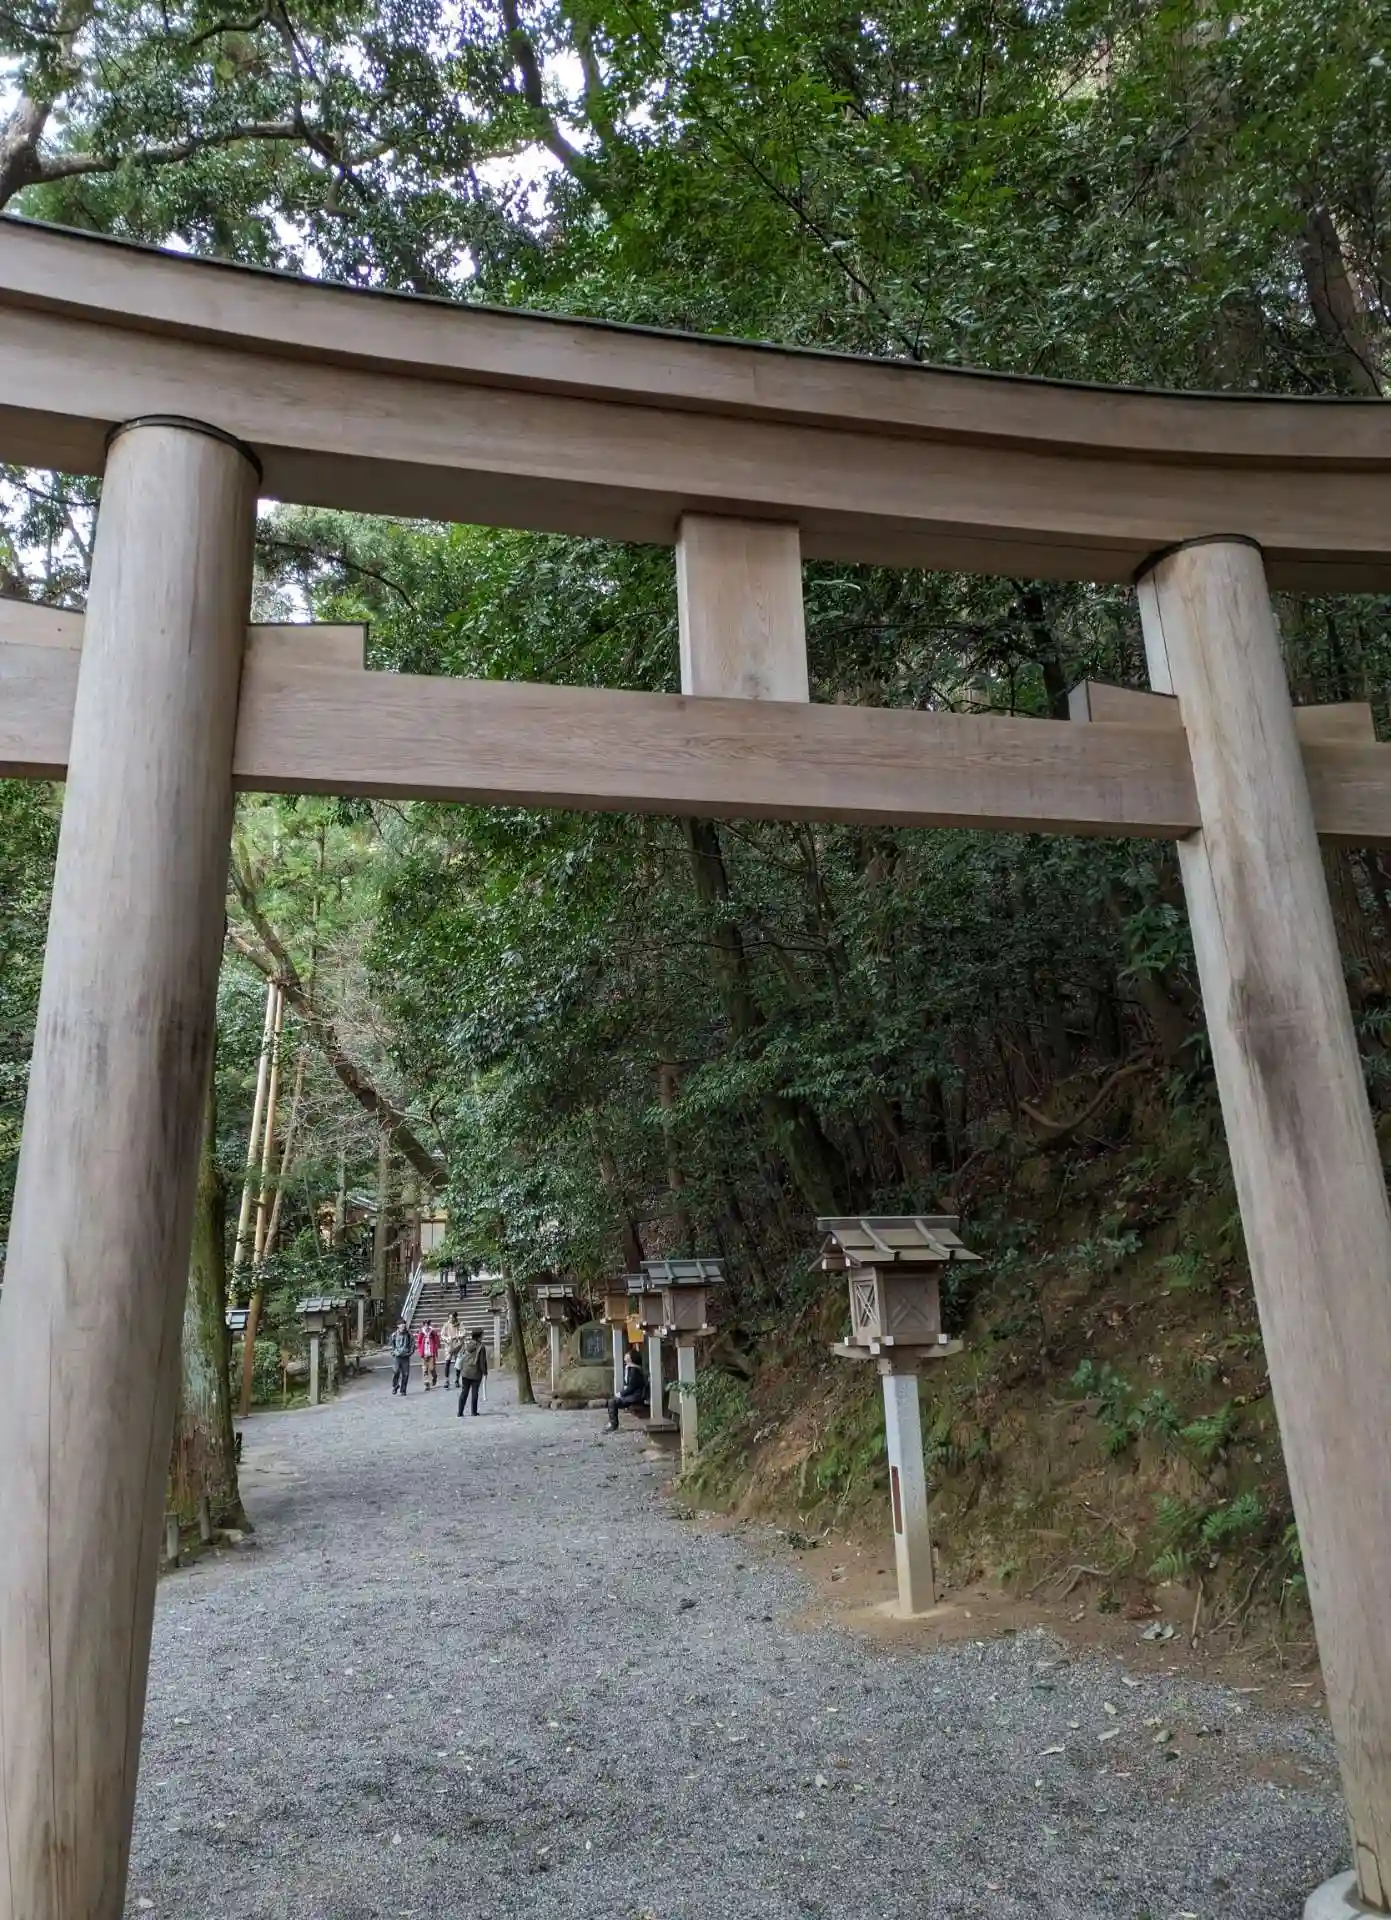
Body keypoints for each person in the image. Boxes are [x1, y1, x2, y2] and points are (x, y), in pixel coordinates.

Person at [606, 1347, 648, 1431]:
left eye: (628, 1354)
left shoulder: (635, 1370)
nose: (625, 1355)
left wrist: (621, 1394)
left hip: (635, 1396)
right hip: (633, 1395)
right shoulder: (631, 1369)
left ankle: (613, 1424)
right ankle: (612, 1423)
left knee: (612, 1402)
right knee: (612, 1401)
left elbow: (631, 1387)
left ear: (631, 1358)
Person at [456, 1326, 488, 1417]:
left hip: (465, 1371)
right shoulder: (481, 1347)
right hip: (476, 1372)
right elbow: (482, 1362)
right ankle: (474, 1412)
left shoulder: (467, 1344)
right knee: (475, 1392)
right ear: (479, 1336)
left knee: (464, 1392)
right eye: (482, 1335)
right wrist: (485, 1372)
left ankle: (460, 1412)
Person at [389, 1319, 412, 1396]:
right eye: (401, 1325)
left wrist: (409, 1353)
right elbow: (391, 1345)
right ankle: (395, 1386)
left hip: (405, 1356)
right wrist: (393, 1352)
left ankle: (403, 1390)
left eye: (404, 1325)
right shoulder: (394, 1335)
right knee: (396, 1371)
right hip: (397, 1356)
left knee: (406, 1374)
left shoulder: (408, 1335)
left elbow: (412, 1345)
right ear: (398, 1326)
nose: (403, 1326)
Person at [441, 1311, 463, 1388]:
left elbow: (463, 1332)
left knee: (458, 1363)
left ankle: (457, 1380)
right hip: (449, 1346)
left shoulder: (459, 1324)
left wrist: (458, 1336)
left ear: (455, 1318)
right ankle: (446, 1380)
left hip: (458, 1346)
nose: (451, 1319)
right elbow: (442, 1335)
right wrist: (447, 1338)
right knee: (447, 1362)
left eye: (452, 1318)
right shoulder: (446, 1325)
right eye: (450, 1318)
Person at [417, 1319, 440, 1390]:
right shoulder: (421, 1333)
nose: (426, 1327)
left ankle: (434, 1377)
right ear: (423, 1325)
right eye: (425, 1325)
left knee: (432, 1368)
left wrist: (435, 1349)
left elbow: (437, 1340)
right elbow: (419, 1342)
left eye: (427, 1325)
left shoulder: (432, 1332)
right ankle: (426, 1383)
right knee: (425, 1369)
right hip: (424, 1353)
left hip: (431, 1353)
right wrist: (420, 1350)